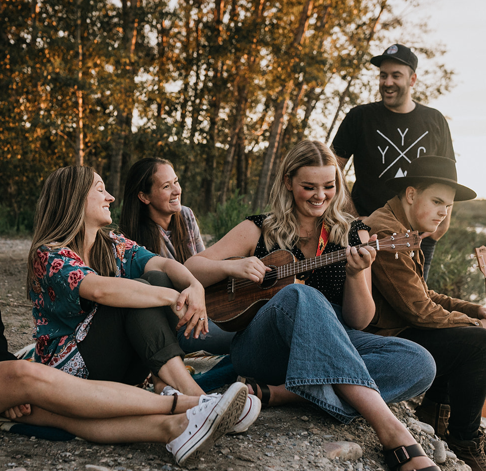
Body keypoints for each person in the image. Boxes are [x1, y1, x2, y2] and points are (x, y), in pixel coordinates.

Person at [0, 147, 251, 467]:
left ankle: (175, 430)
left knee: (55, 411)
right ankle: (191, 404)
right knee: (24, 375)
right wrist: (2, 381)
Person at [185, 140, 440, 471]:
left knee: (419, 362)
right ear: (288, 182)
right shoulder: (258, 228)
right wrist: (231, 267)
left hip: (336, 339)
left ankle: (283, 393)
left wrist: (355, 274)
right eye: (309, 187)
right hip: (264, 349)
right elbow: (192, 266)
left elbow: (359, 321)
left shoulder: (354, 233)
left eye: (329, 186)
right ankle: (391, 430)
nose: (320, 195)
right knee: (299, 294)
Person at [27, 165, 260, 433]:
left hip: (119, 366)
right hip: (71, 373)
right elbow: (100, 290)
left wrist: (194, 286)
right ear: (74, 199)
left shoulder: (112, 244)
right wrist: (173, 297)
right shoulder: (49, 255)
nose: (111, 197)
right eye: (100, 190)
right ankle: (198, 398)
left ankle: (173, 390)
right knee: (134, 294)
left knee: (156, 278)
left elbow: (163, 264)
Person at [364, 156, 486, 470]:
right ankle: (465, 442)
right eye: (437, 202)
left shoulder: (402, 226)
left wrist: (475, 308)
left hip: (394, 329)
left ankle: (434, 419)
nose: (444, 212)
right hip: (380, 340)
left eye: (448, 206)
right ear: (411, 194)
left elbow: (423, 294)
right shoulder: (387, 232)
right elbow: (419, 311)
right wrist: (475, 323)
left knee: (463, 331)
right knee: (479, 343)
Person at [332, 44, 455, 280]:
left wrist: (440, 228)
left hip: (418, 238)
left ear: (412, 79)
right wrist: (353, 217)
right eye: (383, 75)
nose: (387, 82)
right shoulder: (359, 117)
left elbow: (449, 179)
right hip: (366, 234)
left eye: (396, 75)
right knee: (358, 299)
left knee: (415, 301)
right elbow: (331, 169)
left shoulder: (435, 120)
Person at [120, 157, 235, 354]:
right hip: (180, 325)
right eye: (166, 186)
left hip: (207, 308)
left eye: (176, 182)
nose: (177, 191)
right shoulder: (133, 243)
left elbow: (203, 264)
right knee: (245, 336)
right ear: (144, 197)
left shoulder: (186, 216)